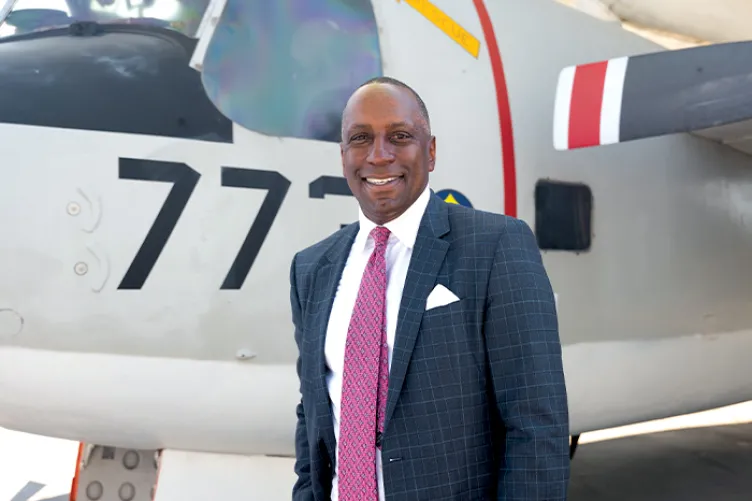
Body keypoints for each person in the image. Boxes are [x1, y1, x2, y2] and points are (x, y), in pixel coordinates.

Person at [289, 76, 570, 501]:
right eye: (360, 139)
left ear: (431, 151)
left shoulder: (496, 245)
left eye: (400, 136)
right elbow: (312, 412)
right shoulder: (312, 267)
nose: (379, 156)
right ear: (344, 155)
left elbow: (536, 420)